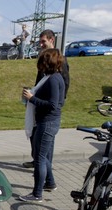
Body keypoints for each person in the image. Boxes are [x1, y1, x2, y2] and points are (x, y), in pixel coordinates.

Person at [18, 48, 65, 202]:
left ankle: (37, 194)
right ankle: (50, 183)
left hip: (47, 123)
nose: (40, 66)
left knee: (39, 158)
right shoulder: (54, 77)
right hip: (48, 122)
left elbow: (53, 105)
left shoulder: (53, 80)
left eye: (41, 62)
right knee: (43, 157)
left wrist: (32, 98)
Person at [23, 29, 71, 169]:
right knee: (35, 134)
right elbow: (41, 80)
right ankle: (38, 160)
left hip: (49, 107)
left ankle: (44, 166)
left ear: (52, 40)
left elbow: (65, 81)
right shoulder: (44, 56)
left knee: (46, 138)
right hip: (38, 102)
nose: (41, 44)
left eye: (43, 41)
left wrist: (58, 102)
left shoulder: (59, 59)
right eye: (40, 42)